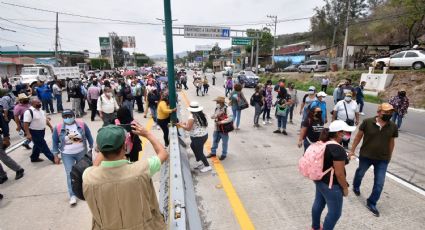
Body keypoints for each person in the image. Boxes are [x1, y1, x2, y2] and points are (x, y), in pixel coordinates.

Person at [83, 124, 168, 230]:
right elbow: (163, 154)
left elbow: (94, 167)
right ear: (125, 146)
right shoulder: (142, 169)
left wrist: (104, 148)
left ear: (99, 149)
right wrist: (147, 134)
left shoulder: (88, 176)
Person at [349, 103, 398, 217]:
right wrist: (352, 150)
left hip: (382, 159)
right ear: (379, 112)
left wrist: (389, 156)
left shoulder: (393, 126)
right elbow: (358, 137)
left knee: (379, 183)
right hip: (366, 155)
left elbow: (391, 142)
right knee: (360, 173)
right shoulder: (367, 122)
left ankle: (371, 202)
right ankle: (356, 186)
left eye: (390, 112)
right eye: (386, 112)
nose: (389, 114)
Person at [311, 120, 354, 230]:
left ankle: (315, 227)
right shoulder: (337, 149)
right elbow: (339, 174)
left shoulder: (323, 142)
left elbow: (330, 162)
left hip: (319, 179)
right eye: (345, 132)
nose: (347, 135)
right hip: (331, 185)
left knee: (318, 204)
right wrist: (345, 188)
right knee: (335, 213)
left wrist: (346, 158)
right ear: (339, 133)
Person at [51, 110, 93, 206]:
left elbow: (89, 136)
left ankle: (85, 191)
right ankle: (72, 195)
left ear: (74, 116)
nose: (68, 118)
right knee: (70, 174)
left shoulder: (82, 124)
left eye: (69, 116)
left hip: (81, 152)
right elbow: (54, 142)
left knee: (84, 172)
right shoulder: (57, 128)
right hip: (67, 154)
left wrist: (92, 147)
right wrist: (55, 155)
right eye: (65, 116)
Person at [23, 98, 59, 163]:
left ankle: (34, 158)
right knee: (43, 145)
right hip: (34, 132)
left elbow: (45, 120)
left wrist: (50, 127)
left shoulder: (41, 111)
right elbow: (25, 124)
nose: (39, 103)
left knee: (37, 145)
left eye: (39, 102)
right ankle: (53, 158)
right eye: (37, 102)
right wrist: (28, 134)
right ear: (32, 104)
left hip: (42, 131)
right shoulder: (28, 112)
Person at [178, 101, 211, 172]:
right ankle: (199, 161)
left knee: (200, 152)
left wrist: (181, 125)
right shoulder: (201, 114)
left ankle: (207, 166)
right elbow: (195, 124)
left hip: (198, 137)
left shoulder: (192, 117)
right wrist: (185, 124)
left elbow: (188, 128)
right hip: (204, 135)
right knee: (193, 146)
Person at [208, 96, 233, 161]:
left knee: (224, 142)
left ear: (221, 102)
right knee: (215, 141)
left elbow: (231, 118)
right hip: (217, 128)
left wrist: (221, 122)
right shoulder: (217, 108)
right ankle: (213, 153)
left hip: (224, 129)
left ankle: (224, 154)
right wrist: (213, 116)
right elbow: (215, 115)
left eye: (217, 102)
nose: (216, 103)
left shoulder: (227, 109)